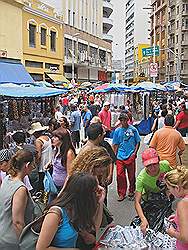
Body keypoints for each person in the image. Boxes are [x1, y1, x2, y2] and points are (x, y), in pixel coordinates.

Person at [36, 173, 105, 250]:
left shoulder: (78, 209)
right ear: (85, 194)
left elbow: (95, 228)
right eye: (95, 191)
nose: (97, 194)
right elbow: (41, 248)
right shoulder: (55, 214)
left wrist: (101, 202)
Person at [0, 150, 35, 250]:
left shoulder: (7, 179)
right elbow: (18, 222)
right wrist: (25, 244)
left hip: (3, 233)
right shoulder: (20, 189)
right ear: (27, 165)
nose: (33, 168)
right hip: (13, 241)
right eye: (33, 165)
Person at [135, 148, 171, 233]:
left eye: (155, 164)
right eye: (148, 165)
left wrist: (169, 189)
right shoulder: (141, 178)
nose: (152, 168)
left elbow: (172, 177)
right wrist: (143, 219)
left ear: (159, 161)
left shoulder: (165, 165)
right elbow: (137, 201)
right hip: (150, 199)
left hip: (165, 194)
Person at [113, 112, 141, 201]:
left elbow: (138, 142)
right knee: (119, 175)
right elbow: (115, 144)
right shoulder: (117, 131)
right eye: (121, 120)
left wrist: (134, 153)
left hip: (130, 156)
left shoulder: (133, 130)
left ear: (127, 120)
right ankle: (121, 193)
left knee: (131, 175)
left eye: (124, 120)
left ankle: (131, 190)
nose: (123, 122)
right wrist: (115, 156)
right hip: (120, 156)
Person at [165, 167, 188, 249]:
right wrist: (177, 217)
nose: (169, 192)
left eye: (169, 189)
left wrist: (172, 233)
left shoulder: (183, 204)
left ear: (177, 188)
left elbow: (185, 238)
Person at [28, 122, 53, 192]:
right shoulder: (47, 137)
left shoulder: (38, 141)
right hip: (49, 162)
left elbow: (38, 155)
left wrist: (36, 164)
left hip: (42, 165)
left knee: (41, 183)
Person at [51, 127, 76, 194]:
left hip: (63, 189)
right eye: (53, 136)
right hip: (54, 185)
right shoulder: (56, 149)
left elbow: (69, 174)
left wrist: (62, 191)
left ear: (62, 139)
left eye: (56, 137)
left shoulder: (69, 153)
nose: (52, 139)